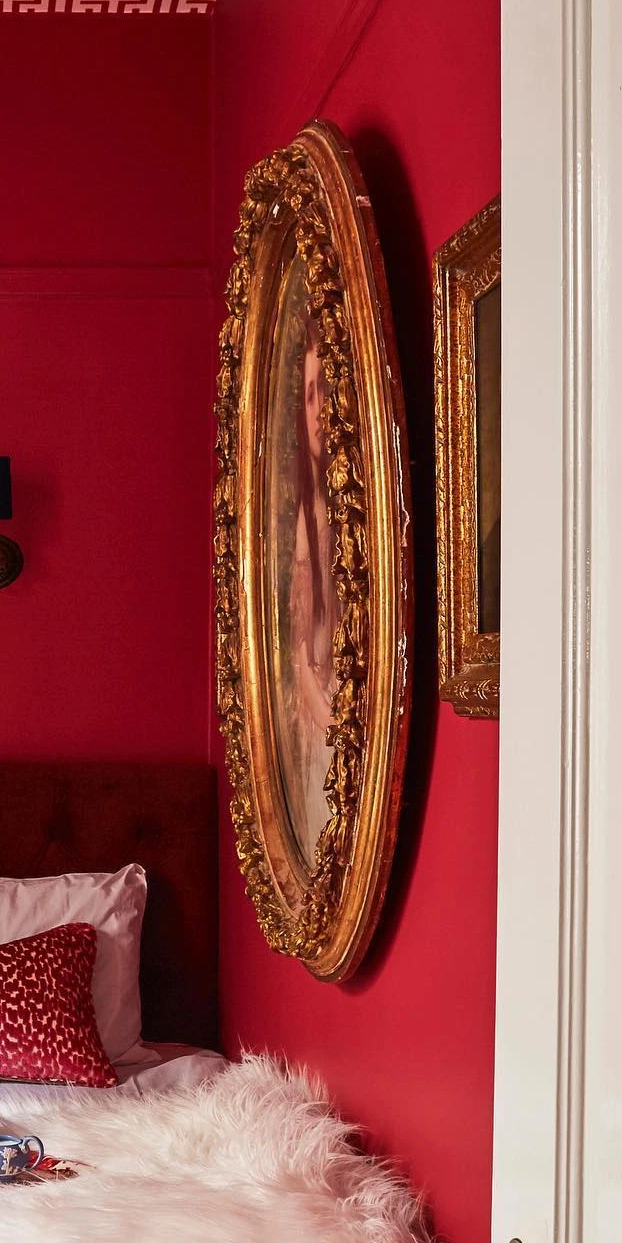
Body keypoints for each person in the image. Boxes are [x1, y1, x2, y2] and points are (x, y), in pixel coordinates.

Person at [284, 317, 338, 855]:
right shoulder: (309, 515)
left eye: (326, 390)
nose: (319, 410)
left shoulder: (341, 510)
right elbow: (301, 657)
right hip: (325, 723)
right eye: (308, 395)